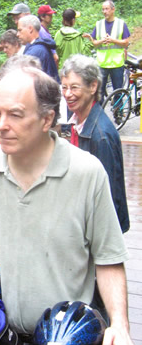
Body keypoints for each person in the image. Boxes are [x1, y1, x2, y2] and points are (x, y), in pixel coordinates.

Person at [0, 64, 137, 345]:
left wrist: (120, 326)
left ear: (46, 119)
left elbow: (109, 258)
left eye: (15, 114)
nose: (1, 126)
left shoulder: (87, 173)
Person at [60, 54, 129, 233]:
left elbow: (108, 197)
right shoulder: (80, 124)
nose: (68, 94)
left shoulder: (100, 136)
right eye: (64, 87)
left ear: (93, 86)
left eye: (74, 87)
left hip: (98, 231)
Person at [83, 0, 130, 102]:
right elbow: (95, 43)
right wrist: (101, 40)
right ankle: (100, 114)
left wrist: (113, 40)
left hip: (117, 63)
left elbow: (126, 42)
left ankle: (118, 114)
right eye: (103, 9)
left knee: (118, 91)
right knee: (99, 93)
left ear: (113, 10)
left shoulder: (121, 24)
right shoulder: (99, 24)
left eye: (107, 9)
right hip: (102, 63)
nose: (104, 11)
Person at [17, 15, 60, 83]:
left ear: (30, 29)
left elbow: (25, 78)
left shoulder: (36, 51)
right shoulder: (39, 45)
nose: (17, 34)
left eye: (20, 30)